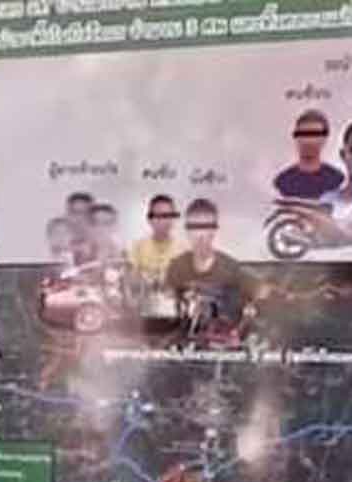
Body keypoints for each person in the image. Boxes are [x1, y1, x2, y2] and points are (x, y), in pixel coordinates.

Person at [165, 198, 262, 331]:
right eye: (194, 227)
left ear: (214, 230)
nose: (200, 235)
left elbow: (258, 297)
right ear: (187, 231)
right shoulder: (176, 267)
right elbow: (168, 310)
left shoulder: (232, 269)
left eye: (206, 227)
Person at [274, 110, 345, 200]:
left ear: (324, 139)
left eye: (315, 135)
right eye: (304, 135)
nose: (309, 141)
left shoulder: (337, 180)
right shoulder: (282, 182)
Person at [128, 194, 186, 286]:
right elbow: (131, 281)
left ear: (173, 219)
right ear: (149, 219)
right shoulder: (138, 248)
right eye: (158, 216)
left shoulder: (184, 250)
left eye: (167, 216)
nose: (163, 220)